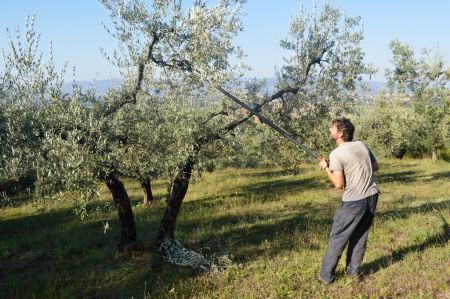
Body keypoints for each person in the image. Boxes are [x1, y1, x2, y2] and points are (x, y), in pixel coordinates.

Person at [317, 117, 380, 285]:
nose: (330, 131)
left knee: (338, 237)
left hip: (354, 201)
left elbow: (339, 184)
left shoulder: (336, 154)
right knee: (360, 236)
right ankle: (353, 273)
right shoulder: (362, 145)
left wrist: (326, 168)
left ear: (341, 133)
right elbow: (375, 167)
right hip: (372, 196)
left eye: (333, 129)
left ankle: (325, 276)